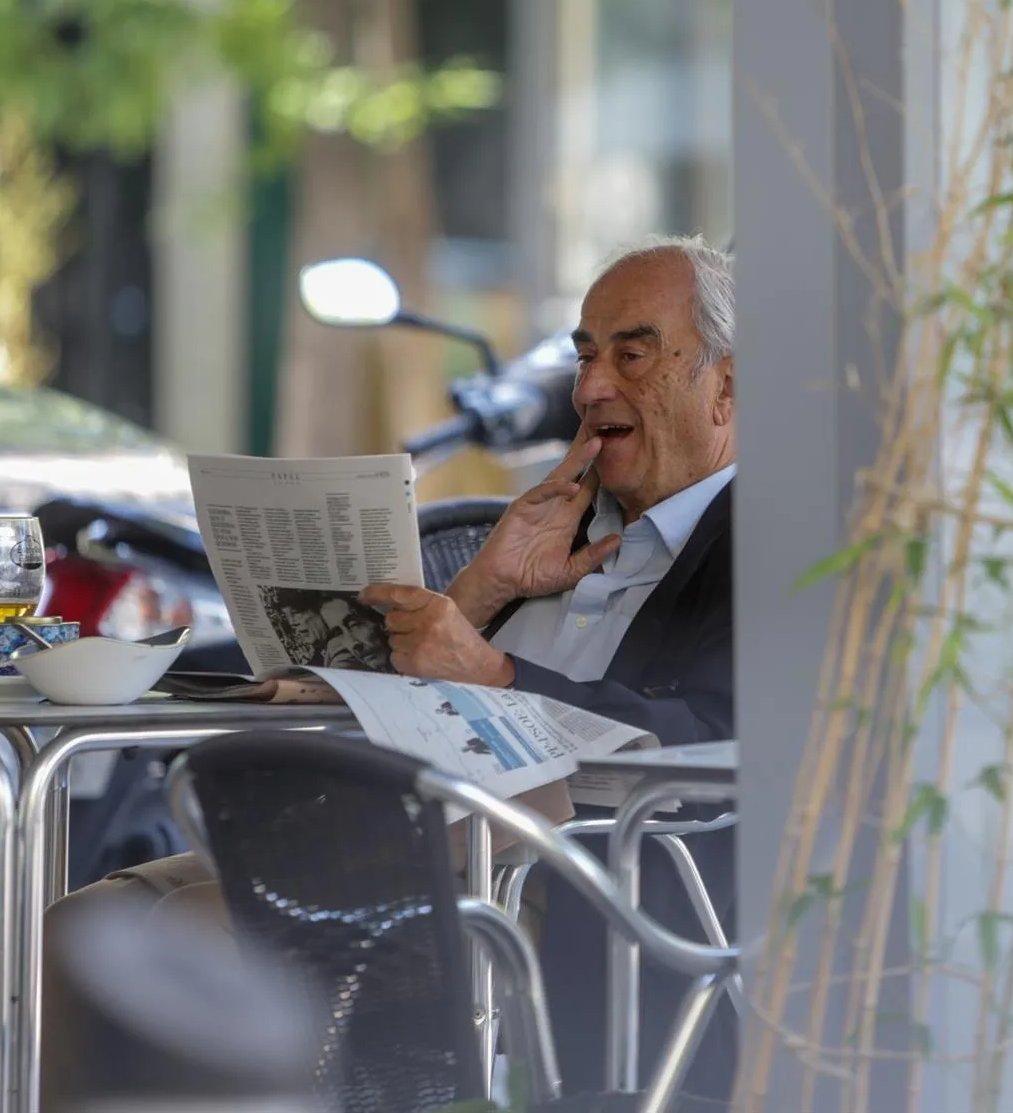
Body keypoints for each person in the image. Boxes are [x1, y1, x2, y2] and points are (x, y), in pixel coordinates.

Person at [39, 236, 739, 1103]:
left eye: (632, 355)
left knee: (197, 935)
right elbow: (432, 690)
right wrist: (482, 590)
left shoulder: (758, 539)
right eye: (586, 357)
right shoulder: (566, 526)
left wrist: (491, 675)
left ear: (728, 386)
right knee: (85, 928)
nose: (591, 389)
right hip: (409, 834)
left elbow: (712, 744)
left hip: (577, 877)